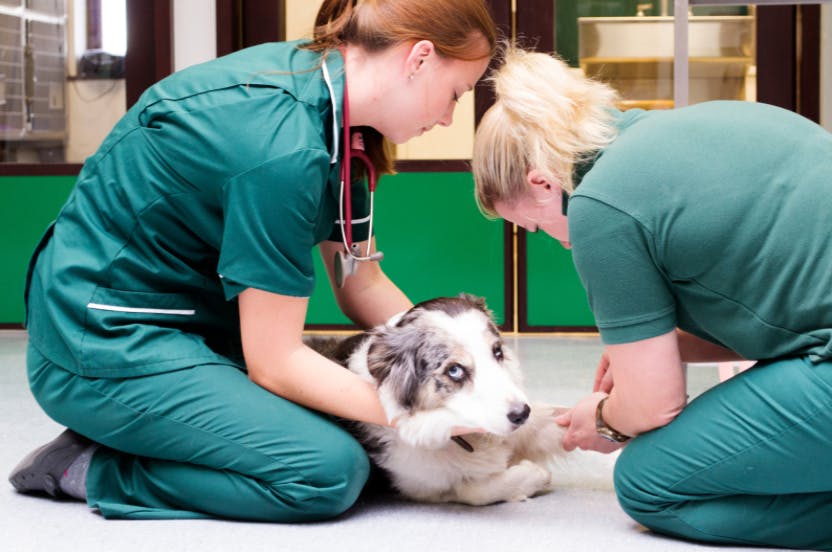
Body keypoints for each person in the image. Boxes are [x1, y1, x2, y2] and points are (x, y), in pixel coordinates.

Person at [9, 0, 495, 522]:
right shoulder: (279, 144)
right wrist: (426, 412)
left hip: (194, 331)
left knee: (347, 416)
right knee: (325, 469)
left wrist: (465, 365)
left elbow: (362, 286)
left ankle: (163, 425)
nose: (447, 117)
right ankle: (87, 466)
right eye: (455, 95)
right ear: (418, 59)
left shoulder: (341, 124)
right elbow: (275, 361)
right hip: (102, 345)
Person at [472, 45, 832, 550]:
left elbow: (655, 405)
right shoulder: (711, 123)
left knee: (649, 483)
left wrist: (605, 420)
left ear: (542, 183)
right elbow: (785, 309)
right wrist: (665, 347)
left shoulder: (600, 203)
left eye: (535, 227)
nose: (557, 241)